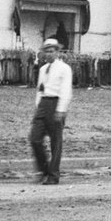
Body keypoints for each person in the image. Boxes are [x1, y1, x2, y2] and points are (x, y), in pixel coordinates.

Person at [29, 38, 73, 184]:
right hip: (43, 104)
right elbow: (39, 90)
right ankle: (43, 169)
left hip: (56, 103)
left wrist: (61, 110)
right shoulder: (42, 69)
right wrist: (38, 107)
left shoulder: (64, 68)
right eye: (46, 51)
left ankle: (53, 175)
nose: (48, 54)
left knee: (56, 142)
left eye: (51, 51)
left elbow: (66, 90)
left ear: (57, 52)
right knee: (34, 138)